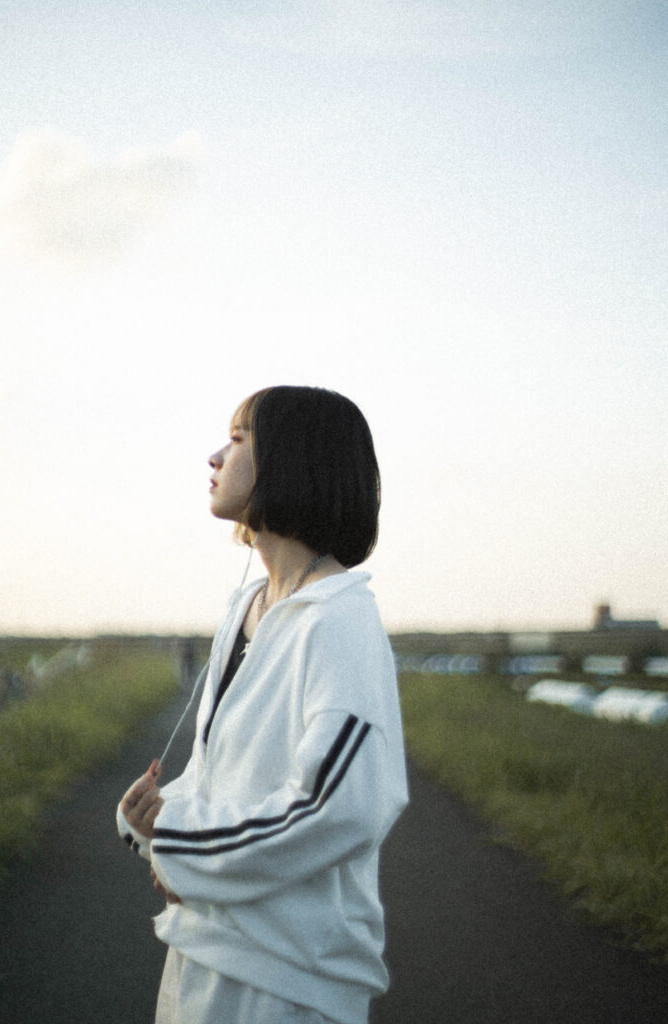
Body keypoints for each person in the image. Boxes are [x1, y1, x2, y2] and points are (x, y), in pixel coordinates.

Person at [117, 385, 408, 1024]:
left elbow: (337, 806)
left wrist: (180, 845)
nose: (216, 456)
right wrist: (157, 819)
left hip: (287, 983)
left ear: (292, 459)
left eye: (239, 438)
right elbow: (228, 779)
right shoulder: (245, 608)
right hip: (200, 950)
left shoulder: (339, 619)